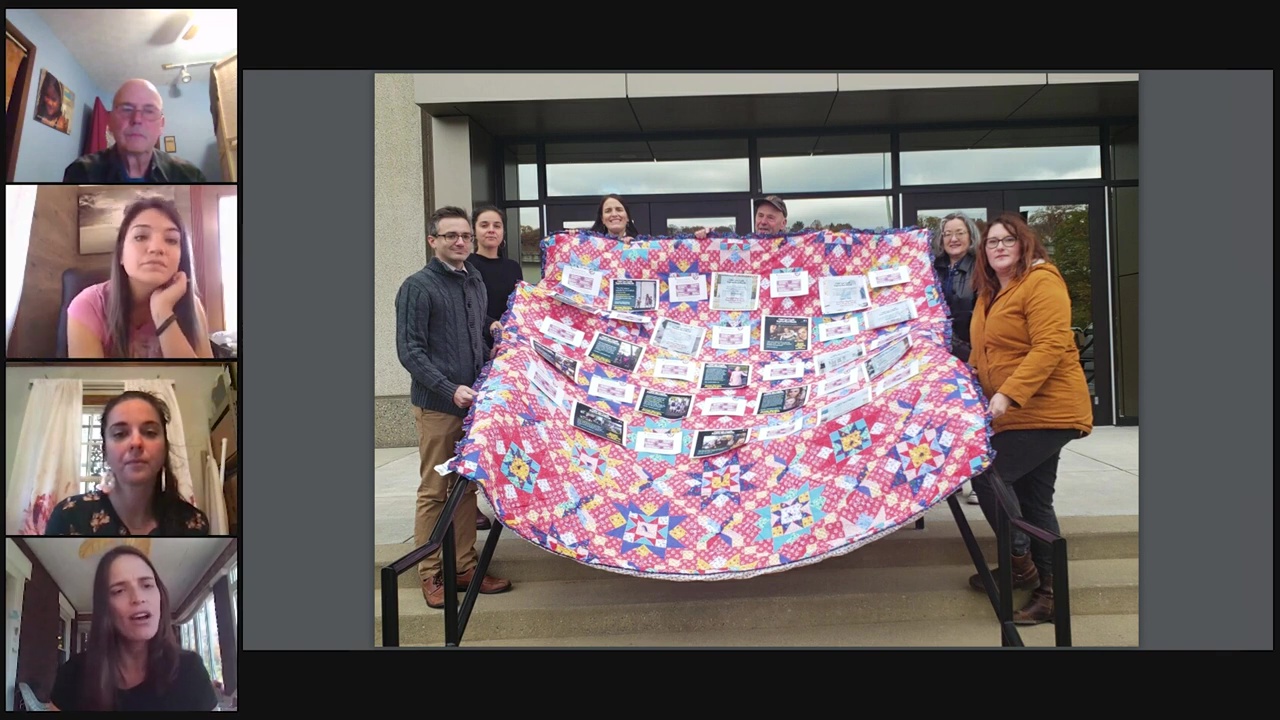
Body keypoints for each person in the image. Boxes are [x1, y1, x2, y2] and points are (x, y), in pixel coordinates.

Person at [965, 211, 1093, 625]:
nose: (999, 247)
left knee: (988, 476)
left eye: (1007, 240)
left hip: (1047, 410)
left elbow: (1051, 344)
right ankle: (1050, 595)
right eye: (991, 242)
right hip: (1017, 416)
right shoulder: (990, 292)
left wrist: (1007, 394)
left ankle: (1020, 562)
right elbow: (983, 350)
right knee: (1036, 500)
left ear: (1023, 244)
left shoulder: (1041, 281)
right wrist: (966, 378)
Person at [396, 206, 513, 609]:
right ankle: (430, 573)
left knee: (465, 492)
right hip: (439, 407)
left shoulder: (474, 280)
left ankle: (464, 566)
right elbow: (410, 351)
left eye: (464, 235)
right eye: (450, 236)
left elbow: (474, 334)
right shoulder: (419, 286)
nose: (460, 241)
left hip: (473, 404)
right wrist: (450, 389)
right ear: (434, 241)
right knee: (435, 490)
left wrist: (493, 336)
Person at [48, 546, 219, 711]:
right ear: (104, 607)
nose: (138, 598)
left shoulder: (191, 670)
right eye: (119, 590)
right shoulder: (73, 674)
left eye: (147, 585)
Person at [44, 391, 211, 536]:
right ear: (105, 451)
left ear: (165, 447)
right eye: (120, 434)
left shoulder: (193, 523)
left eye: (150, 432)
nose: (136, 442)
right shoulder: (69, 516)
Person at [66, 196, 214, 359]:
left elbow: (203, 381)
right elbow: (90, 382)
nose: (157, 248)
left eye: (171, 240)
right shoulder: (88, 305)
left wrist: (162, 311)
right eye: (141, 237)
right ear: (121, 254)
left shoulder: (192, 305)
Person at [466, 204, 523, 530]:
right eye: (485, 225)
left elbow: (518, 307)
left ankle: (503, 494)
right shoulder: (469, 266)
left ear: (503, 232)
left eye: (496, 225)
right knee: (475, 430)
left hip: (507, 353)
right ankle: (469, 503)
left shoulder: (512, 265)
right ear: (476, 231)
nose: (491, 230)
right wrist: (492, 328)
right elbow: (472, 309)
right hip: (480, 350)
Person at [63, 79, 207, 182]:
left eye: (149, 111)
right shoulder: (81, 172)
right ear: (110, 122)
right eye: (126, 109)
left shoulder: (190, 176)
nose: (137, 119)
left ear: (161, 125)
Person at [933, 212, 981, 505]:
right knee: (944, 417)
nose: (953, 238)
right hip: (938, 354)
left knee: (972, 416)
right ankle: (947, 482)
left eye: (959, 232)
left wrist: (967, 351)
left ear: (970, 236)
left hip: (970, 351)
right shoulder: (931, 267)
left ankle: (976, 481)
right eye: (948, 233)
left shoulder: (980, 268)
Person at [694, 195, 790, 239]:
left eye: (770, 217)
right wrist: (706, 239)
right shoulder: (743, 248)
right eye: (760, 216)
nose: (763, 221)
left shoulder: (793, 250)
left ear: (783, 223)